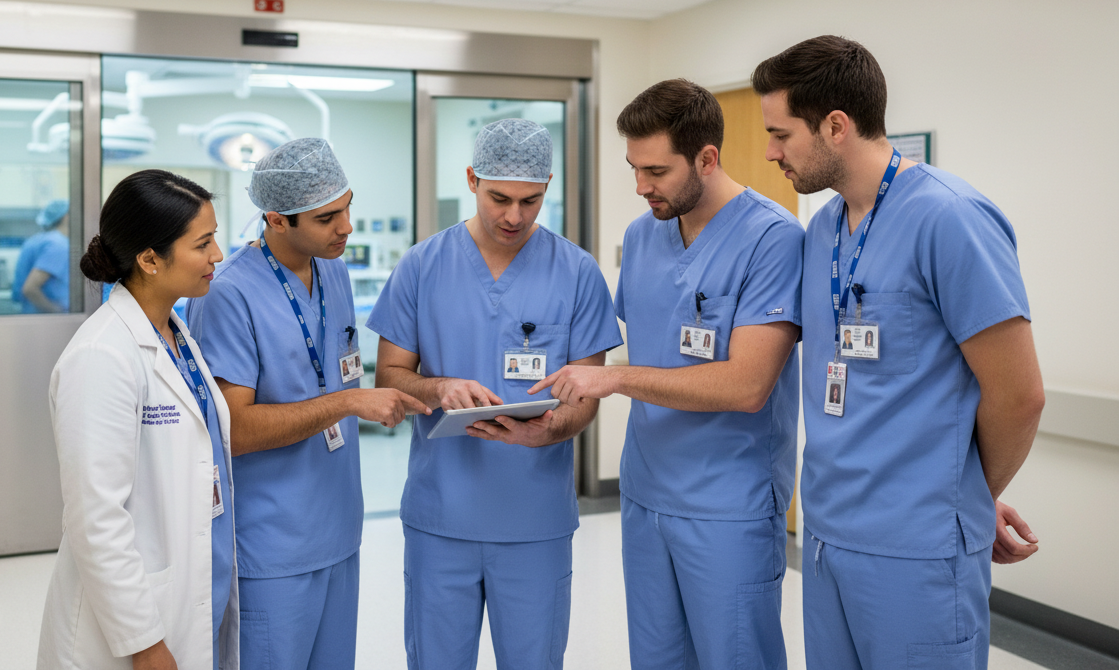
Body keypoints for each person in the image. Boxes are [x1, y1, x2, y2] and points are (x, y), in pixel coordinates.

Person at [755, 35, 1044, 669]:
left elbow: (1019, 394)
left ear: (835, 126)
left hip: (917, 551)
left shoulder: (951, 217)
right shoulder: (824, 228)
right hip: (828, 537)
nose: (771, 152)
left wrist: (962, 494)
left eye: (782, 135)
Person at [531, 80, 803, 670]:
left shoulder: (773, 238)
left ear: (707, 158)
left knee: (734, 657)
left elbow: (747, 385)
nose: (640, 187)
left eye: (656, 170)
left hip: (728, 502)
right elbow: (655, 339)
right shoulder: (642, 235)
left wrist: (619, 380)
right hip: (648, 493)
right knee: (656, 658)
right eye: (634, 169)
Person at [368, 118, 624, 670]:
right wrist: (437, 386)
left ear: (548, 187)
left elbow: (587, 393)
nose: (514, 216)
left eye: (530, 201)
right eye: (499, 198)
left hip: (535, 521)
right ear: (471, 180)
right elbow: (389, 377)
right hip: (442, 518)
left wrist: (551, 427)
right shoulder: (421, 266)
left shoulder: (577, 273)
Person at [185, 138, 427, 670]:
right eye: (326, 217)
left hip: (337, 530)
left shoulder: (332, 269)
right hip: (272, 546)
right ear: (275, 219)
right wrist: (346, 402)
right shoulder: (227, 293)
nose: (346, 227)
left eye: (347, 207)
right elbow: (236, 430)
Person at [37, 170, 238, 670]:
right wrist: (144, 644)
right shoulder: (101, 356)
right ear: (150, 259)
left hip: (189, 589)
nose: (218, 256)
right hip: (130, 631)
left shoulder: (175, 332)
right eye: (204, 243)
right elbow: (96, 518)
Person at [12, 198, 71, 313]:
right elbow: (30, 289)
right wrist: (58, 311)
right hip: (50, 321)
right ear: (66, 217)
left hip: (33, 318)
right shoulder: (58, 245)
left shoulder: (38, 239)